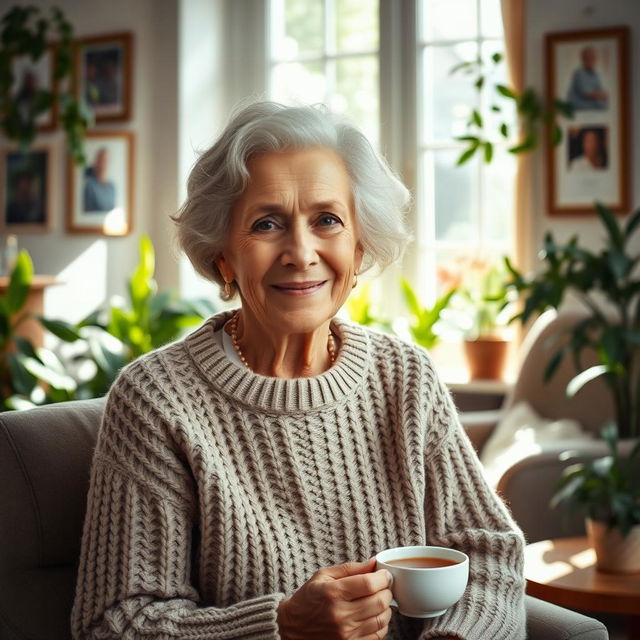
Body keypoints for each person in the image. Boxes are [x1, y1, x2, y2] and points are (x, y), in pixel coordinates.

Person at [71, 101, 526, 639]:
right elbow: (116, 624)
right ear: (223, 257)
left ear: (358, 248)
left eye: (327, 220)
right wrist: (283, 628)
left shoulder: (405, 377)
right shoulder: (157, 399)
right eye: (267, 224)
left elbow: (491, 552)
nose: (301, 251)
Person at [566, 45, 608, 110]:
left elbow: (600, 91)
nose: (590, 60)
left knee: (604, 106)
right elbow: (585, 94)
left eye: (593, 58)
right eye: (588, 58)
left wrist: (603, 95)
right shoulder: (579, 73)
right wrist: (600, 95)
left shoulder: (595, 75)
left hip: (590, 107)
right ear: (583, 59)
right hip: (579, 107)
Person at [83, 147, 116, 212]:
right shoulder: (89, 185)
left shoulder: (112, 187)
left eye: (105, 160)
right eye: (101, 160)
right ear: (96, 162)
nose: (103, 164)